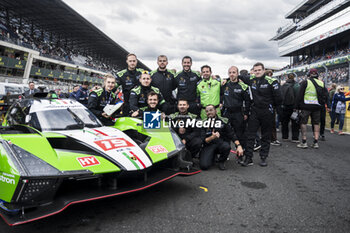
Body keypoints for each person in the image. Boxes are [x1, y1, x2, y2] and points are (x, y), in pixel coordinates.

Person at [239, 62, 282, 167]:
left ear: (263, 70)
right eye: (255, 70)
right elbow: (240, 76)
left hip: (267, 111)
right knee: (250, 135)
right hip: (255, 111)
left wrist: (275, 111)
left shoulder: (272, 81)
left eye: (259, 70)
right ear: (253, 71)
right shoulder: (252, 80)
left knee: (266, 135)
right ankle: (248, 158)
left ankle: (263, 157)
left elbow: (279, 99)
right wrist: (226, 80)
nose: (257, 72)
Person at [200, 105, 243, 170]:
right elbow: (203, 140)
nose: (209, 112)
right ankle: (213, 156)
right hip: (209, 145)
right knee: (204, 166)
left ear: (216, 111)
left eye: (211, 110)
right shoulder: (203, 123)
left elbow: (231, 134)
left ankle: (221, 161)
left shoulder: (224, 121)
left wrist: (239, 145)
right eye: (207, 111)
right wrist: (212, 137)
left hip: (220, 143)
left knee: (226, 147)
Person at [295, 68, 328, 149]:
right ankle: (315, 142)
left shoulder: (305, 82)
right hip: (317, 106)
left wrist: (296, 106)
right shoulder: (321, 83)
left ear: (309, 74)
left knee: (303, 123)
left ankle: (304, 141)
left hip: (306, 106)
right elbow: (325, 95)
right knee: (316, 123)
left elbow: (299, 95)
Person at [222, 66, 251, 152]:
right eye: (230, 72)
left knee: (240, 134)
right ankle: (225, 154)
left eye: (234, 72)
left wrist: (246, 113)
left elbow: (248, 101)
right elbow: (220, 95)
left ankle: (241, 152)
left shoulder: (243, 86)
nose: (232, 74)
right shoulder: (224, 84)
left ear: (237, 74)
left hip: (238, 113)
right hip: (226, 112)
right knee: (226, 133)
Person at [280, 73, 300, 142]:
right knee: (295, 123)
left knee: (284, 123)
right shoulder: (297, 85)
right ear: (294, 77)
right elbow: (299, 97)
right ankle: (295, 137)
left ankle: (285, 137)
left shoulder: (283, 86)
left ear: (287, 78)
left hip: (284, 107)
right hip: (294, 107)